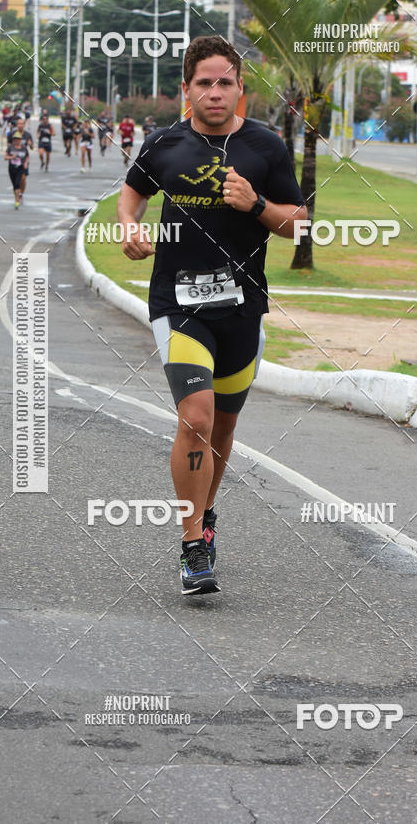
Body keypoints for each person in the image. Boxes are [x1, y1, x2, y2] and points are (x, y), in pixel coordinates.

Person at [118, 35, 307, 595]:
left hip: (242, 306)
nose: (215, 92)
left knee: (222, 427)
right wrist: (130, 226)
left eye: (226, 81)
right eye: (204, 82)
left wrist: (254, 204)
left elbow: (298, 224)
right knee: (195, 418)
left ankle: (205, 516)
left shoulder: (266, 147)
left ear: (241, 88)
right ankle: (192, 540)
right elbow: (131, 195)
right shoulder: (164, 144)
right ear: (186, 89)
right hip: (178, 304)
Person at [5, 131, 29, 208]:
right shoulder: (10, 147)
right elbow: (5, 157)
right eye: (15, 139)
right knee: (14, 185)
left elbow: (27, 156)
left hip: (20, 167)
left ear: (20, 140)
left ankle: (17, 201)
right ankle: (17, 197)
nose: (17, 140)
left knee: (17, 183)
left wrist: (25, 163)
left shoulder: (24, 147)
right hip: (12, 168)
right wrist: (12, 157)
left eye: (18, 139)